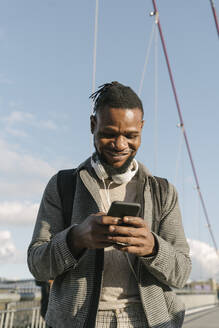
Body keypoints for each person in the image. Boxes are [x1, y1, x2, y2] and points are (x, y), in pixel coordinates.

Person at [27, 81, 191, 328]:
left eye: (131, 135)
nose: (120, 144)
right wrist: (76, 239)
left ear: (142, 129)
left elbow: (182, 273)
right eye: (109, 134)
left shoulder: (163, 192)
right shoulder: (62, 185)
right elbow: (37, 266)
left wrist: (153, 247)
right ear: (93, 125)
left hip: (149, 321)